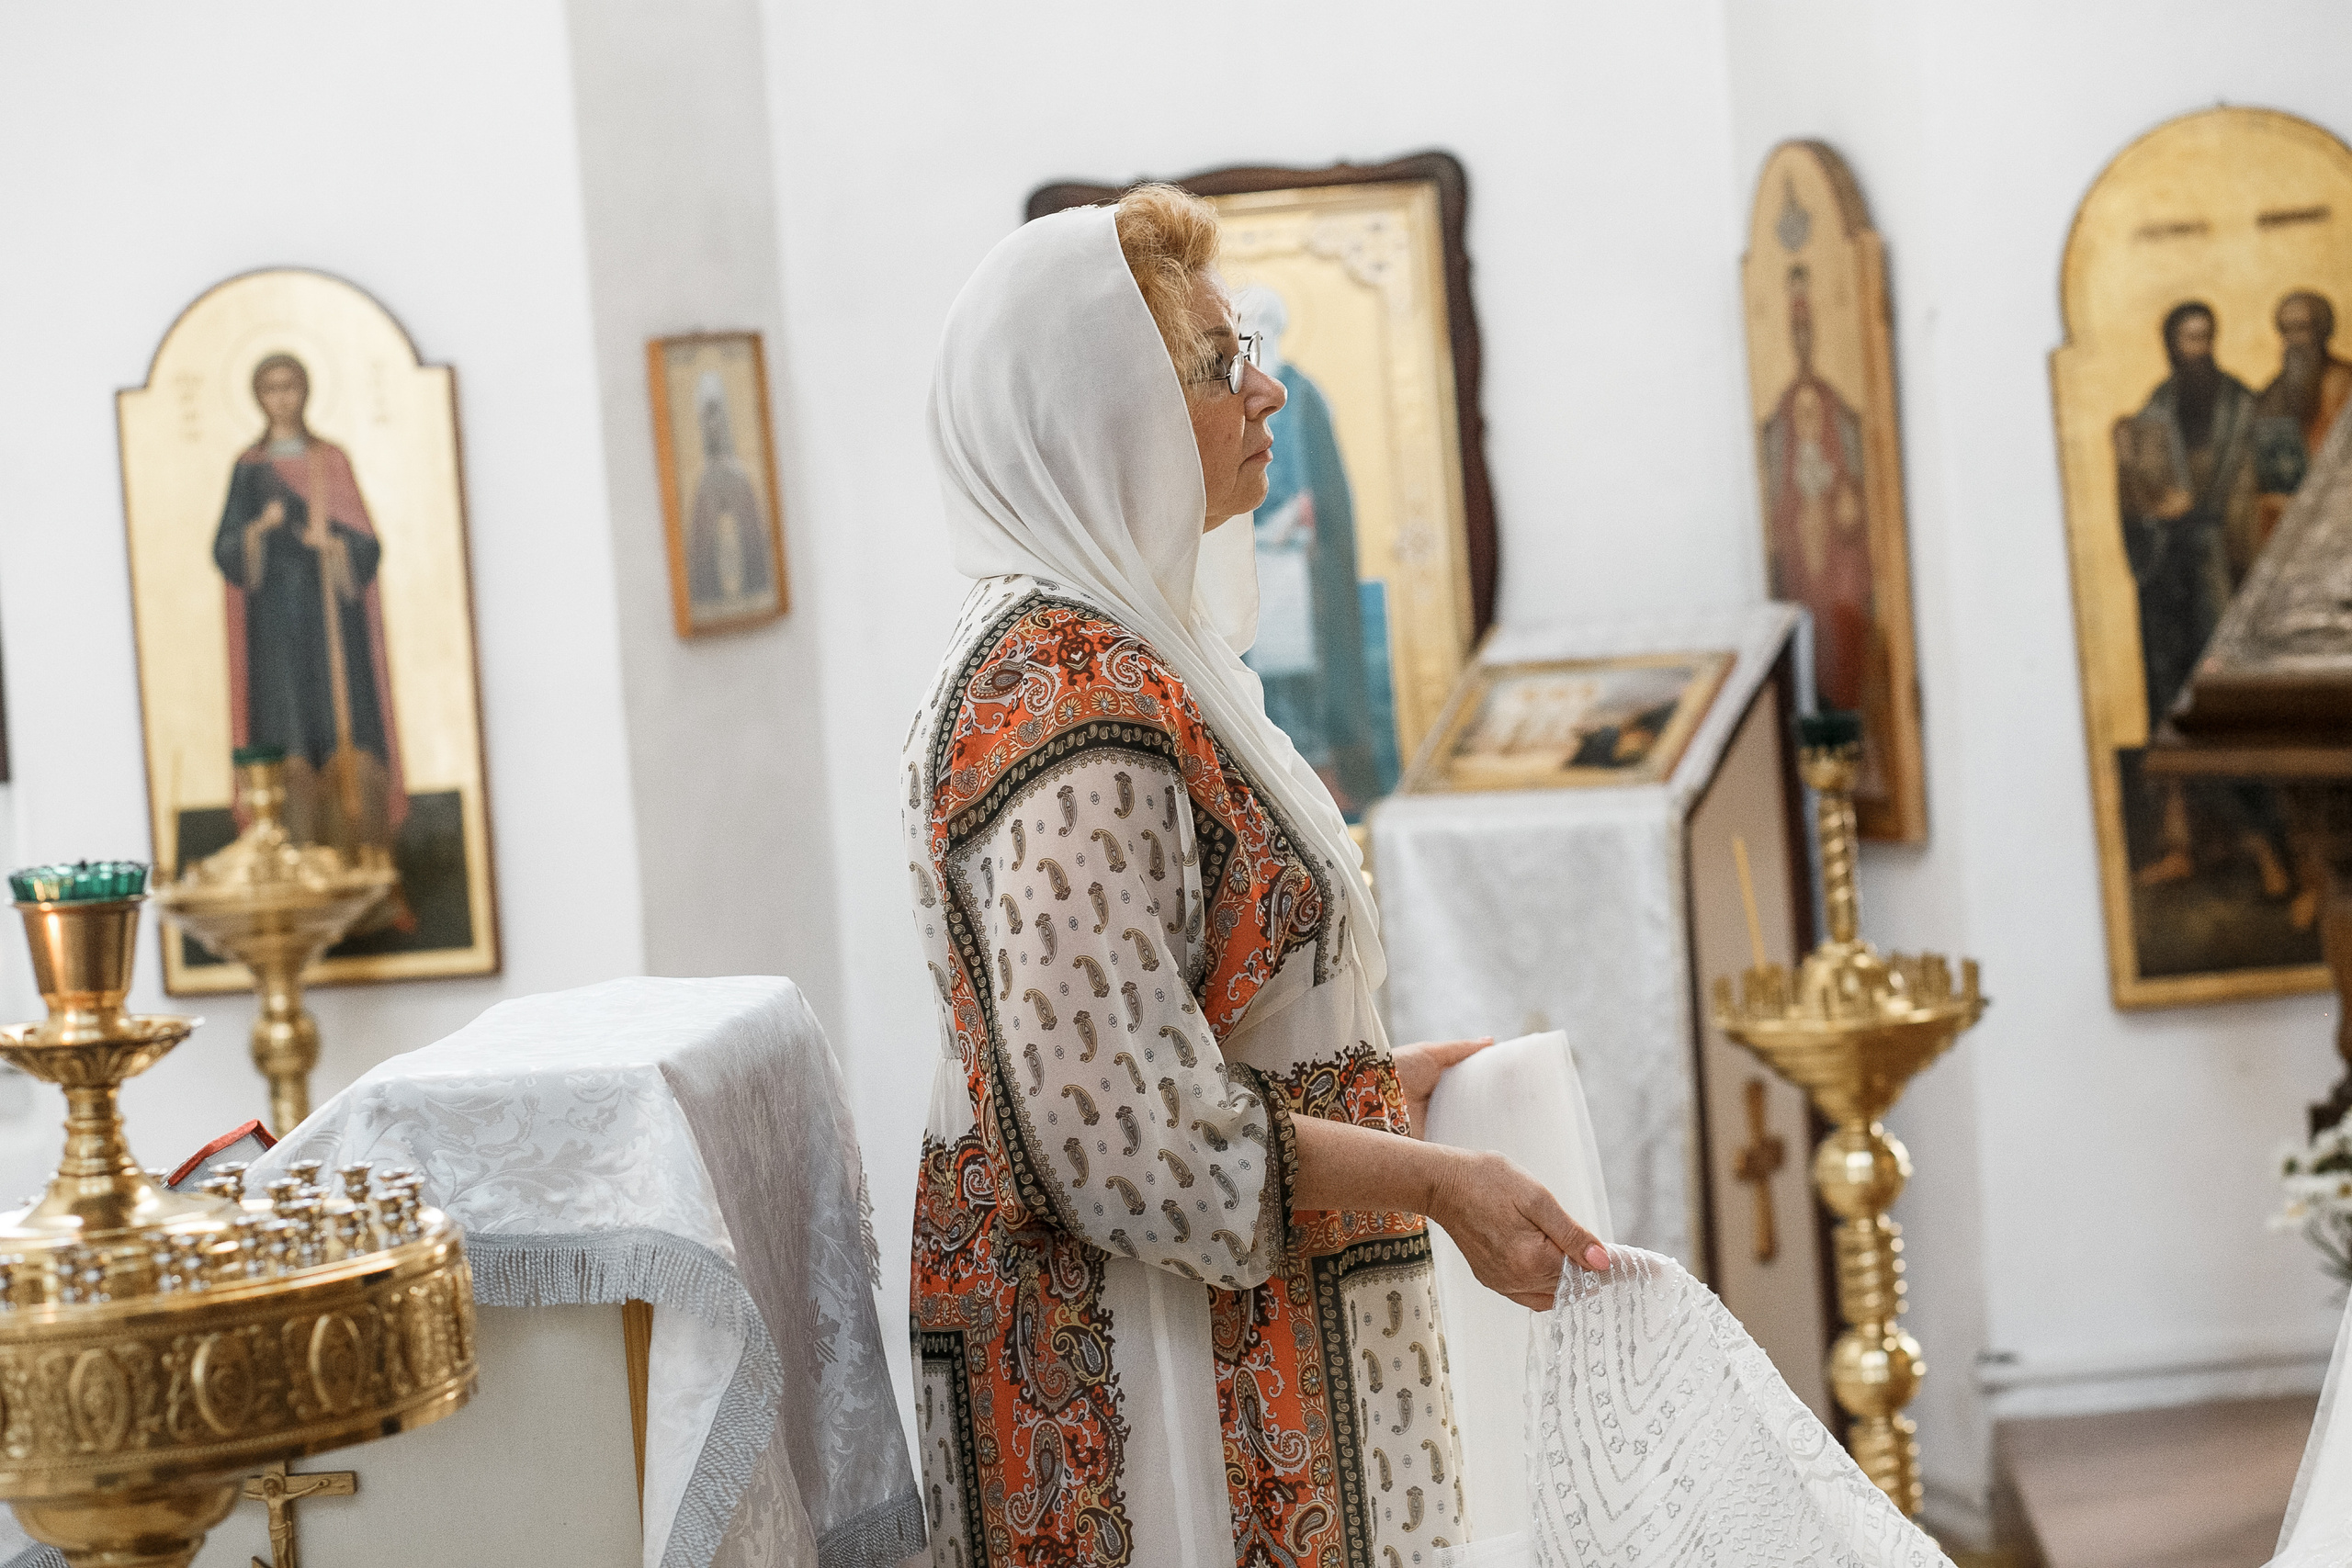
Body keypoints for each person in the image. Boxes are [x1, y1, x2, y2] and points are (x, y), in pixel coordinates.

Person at [903, 186, 1607, 1567]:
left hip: (1206, 1339)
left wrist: (1365, 1083)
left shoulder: (1134, 656)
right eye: (1216, 365)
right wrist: (1438, 1178)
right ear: (1099, 413)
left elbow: (1176, 1031)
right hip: (1148, 1381)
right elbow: (1133, 1147)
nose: (1265, 389)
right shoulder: (1062, 703)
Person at [211, 353, 410, 924]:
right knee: (289, 741)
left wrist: (336, 543)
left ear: (305, 392)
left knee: (350, 741)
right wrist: (259, 529)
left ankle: (366, 883)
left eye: (290, 387)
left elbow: (367, 546)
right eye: (270, 389)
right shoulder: (249, 469)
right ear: (258, 397)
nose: (281, 398)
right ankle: (293, 891)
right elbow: (225, 551)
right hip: (275, 632)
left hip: (334, 631)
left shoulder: (331, 463)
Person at [2113, 301, 2294, 903]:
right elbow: (2139, 499)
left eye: (2206, 337)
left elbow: (2279, 485)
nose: (2200, 349)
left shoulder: (2245, 406)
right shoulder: (2155, 412)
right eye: (2189, 339)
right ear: (2172, 346)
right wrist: (2140, 494)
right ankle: (2182, 845)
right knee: (2177, 707)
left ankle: (2272, 848)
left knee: (2229, 708)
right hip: (2170, 581)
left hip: (2230, 570)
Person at [1232, 284, 1388, 818]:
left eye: (1266, 329)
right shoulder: (1229, 398)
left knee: (1306, 673)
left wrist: (1306, 517)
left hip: (1300, 570)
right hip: (1250, 561)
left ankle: (1322, 773)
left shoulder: (1303, 395)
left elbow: (1326, 489)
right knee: (1262, 677)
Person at [683, 369, 775, 615]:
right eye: (707, 417)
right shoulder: (702, 486)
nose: (713, 425)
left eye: (718, 415)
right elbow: (699, 566)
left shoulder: (741, 480)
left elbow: (757, 550)